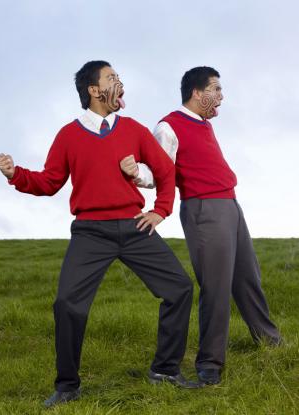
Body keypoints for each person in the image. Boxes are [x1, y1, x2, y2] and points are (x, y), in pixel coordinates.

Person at [0, 61, 202, 408]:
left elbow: (166, 172)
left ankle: (165, 370)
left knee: (180, 289)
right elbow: (48, 182)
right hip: (91, 232)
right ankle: (68, 385)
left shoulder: (134, 129)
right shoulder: (68, 135)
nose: (118, 82)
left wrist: (159, 210)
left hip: (135, 227)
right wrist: (16, 174)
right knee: (67, 305)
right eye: (111, 78)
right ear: (94, 90)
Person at [120, 66, 281, 386]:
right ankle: (209, 362)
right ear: (197, 93)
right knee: (216, 287)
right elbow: (157, 173)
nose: (221, 96)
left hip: (230, 205)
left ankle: (268, 339)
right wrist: (134, 171)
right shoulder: (169, 126)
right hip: (204, 210)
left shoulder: (204, 124)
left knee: (248, 278)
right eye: (216, 89)